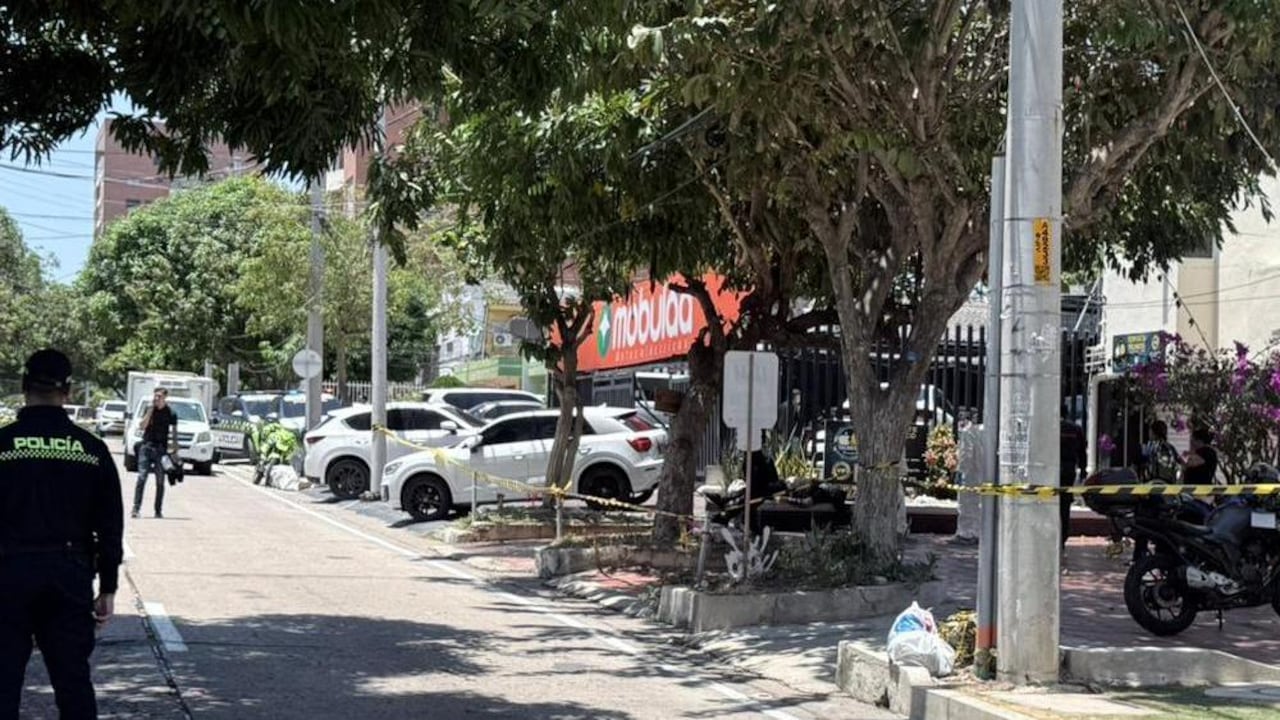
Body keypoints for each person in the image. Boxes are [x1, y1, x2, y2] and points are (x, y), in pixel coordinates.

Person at [0, 349, 123, 719]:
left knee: (2, 684)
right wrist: (108, 588)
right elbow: (111, 527)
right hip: (69, 576)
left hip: (8, 575)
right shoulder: (92, 450)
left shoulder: (2, 445)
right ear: (67, 391)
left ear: (24, 387)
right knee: (73, 684)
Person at [133, 388, 177, 519]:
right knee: (142, 477)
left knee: (160, 481)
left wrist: (175, 451)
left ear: (165, 397)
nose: (156, 399)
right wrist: (151, 410)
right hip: (146, 447)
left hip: (161, 450)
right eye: (155, 396)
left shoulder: (171, 413)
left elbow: (174, 434)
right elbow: (142, 426)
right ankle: (136, 508)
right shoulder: (149, 409)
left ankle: (158, 510)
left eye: (159, 397)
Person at [1059, 410, 1087, 553]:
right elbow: (1082, 452)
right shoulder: (1076, 429)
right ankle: (1062, 539)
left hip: (1052, 469)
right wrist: (1083, 470)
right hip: (1068, 470)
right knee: (1064, 506)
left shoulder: (1050, 427)